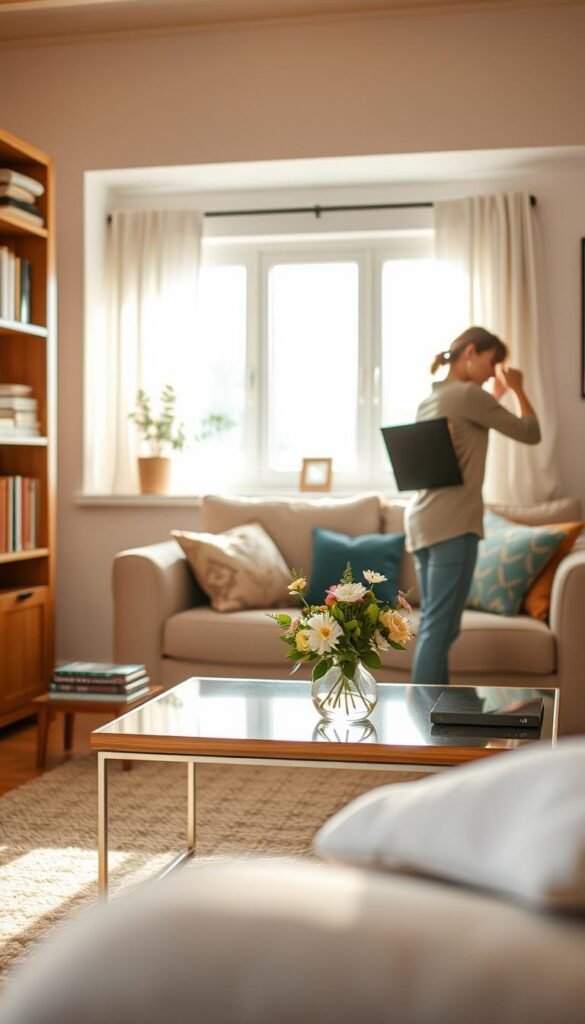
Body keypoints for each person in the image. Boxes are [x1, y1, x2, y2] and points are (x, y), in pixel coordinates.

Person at [406, 325, 541, 686]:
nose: (492, 371)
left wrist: (495, 393)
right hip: (453, 525)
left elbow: (468, 429)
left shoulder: (431, 399)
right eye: (492, 361)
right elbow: (531, 431)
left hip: (422, 522)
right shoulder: (470, 397)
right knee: (439, 628)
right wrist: (517, 387)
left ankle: (435, 716)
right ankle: (424, 718)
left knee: (438, 627)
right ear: (471, 353)